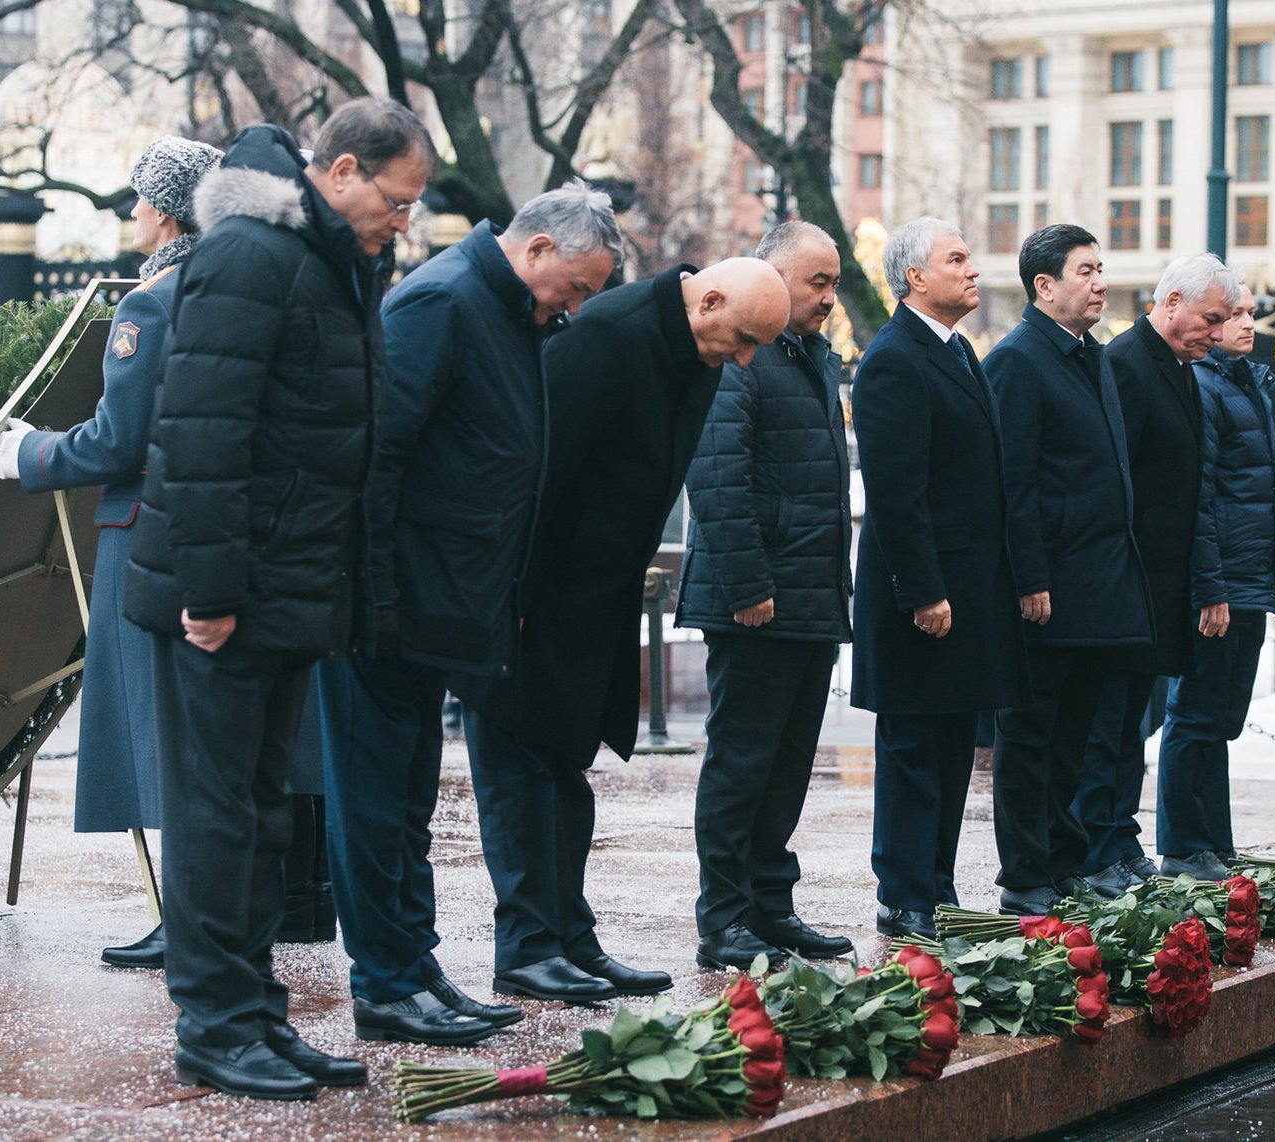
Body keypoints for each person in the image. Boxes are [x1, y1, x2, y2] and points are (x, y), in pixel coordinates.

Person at [122, 98, 436, 1100]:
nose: (405, 220)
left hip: (286, 590)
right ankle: (213, 1022)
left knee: (259, 813)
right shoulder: (251, 255)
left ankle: (251, 1008)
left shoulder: (332, 263)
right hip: (226, 596)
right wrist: (211, 591)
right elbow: (202, 433)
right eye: (398, 199)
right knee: (220, 815)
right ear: (341, 171)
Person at [317, 183, 621, 1043]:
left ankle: (415, 970)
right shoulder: (444, 301)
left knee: (407, 801)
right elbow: (374, 460)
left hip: (434, 607)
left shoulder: (503, 308)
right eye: (578, 286)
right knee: (375, 804)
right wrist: (375, 599)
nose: (578, 306)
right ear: (536, 252)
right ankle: (384, 983)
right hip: (388, 607)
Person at [470, 257, 789, 1002]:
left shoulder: (696, 342)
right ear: (708, 300)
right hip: (534, 592)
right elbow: (535, 469)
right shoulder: (607, 336)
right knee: (521, 770)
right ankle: (526, 945)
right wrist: (512, 593)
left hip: (595, 591)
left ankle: (570, 935)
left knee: (565, 769)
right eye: (741, 339)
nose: (743, 359)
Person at [0, 135, 222, 967]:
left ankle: (190, 919)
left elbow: (116, 444)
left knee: (160, 731)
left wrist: (25, 453)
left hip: (144, 534)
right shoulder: (227, 291)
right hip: (212, 536)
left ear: (172, 209)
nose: (130, 212)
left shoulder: (153, 302)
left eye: (141, 198)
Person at [676, 221, 856, 970]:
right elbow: (717, 476)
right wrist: (750, 585)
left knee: (786, 764)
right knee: (742, 761)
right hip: (755, 599)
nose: (829, 297)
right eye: (818, 281)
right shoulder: (741, 356)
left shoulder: (812, 357)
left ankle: (770, 906)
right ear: (772, 275)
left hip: (808, 596)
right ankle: (724, 917)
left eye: (834, 282)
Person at [852, 218, 1029, 941]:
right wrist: (923, 590)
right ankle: (903, 894)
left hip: (967, 590)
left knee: (953, 745)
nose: (972, 269)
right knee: (914, 747)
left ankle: (937, 882)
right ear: (914, 278)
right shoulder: (895, 358)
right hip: (921, 595)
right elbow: (897, 491)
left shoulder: (957, 352)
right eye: (955, 259)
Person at [985, 225, 1151, 912]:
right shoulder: (1019, 360)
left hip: (1099, 586)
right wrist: (1030, 578)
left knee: (1075, 736)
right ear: (1044, 285)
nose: (1100, 282)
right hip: (1048, 588)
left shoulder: (1093, 356)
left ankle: (1063, 863)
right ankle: (1026, 876)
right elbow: (1012, 483)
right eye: (1085, 270)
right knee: (1030, 736)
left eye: (1101, 268)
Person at [1093, 254, 1241, 890]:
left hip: (1161, 582)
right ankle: (1099, 842)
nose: (1216, 331)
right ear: (1172, 302)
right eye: (1210, 318)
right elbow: (1113, 476)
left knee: (1135, 723)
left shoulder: (1180, 367)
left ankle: (1120, 836)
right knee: (1109, 721)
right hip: (1128, 578)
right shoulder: (1127, 363)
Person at [1154, 286, 1275, 882]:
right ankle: (1185, 846)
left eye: (1247, 313)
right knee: (1194, 714)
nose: (1245, 324)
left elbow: (1261, 495)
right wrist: (1209, 588)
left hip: (1249, 577)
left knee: (1221, 718)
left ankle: (1214, 840)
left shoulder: (1247, 384)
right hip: (1220, 586)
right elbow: (1201, 497)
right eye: (1230, 314)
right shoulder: (1205, 385)